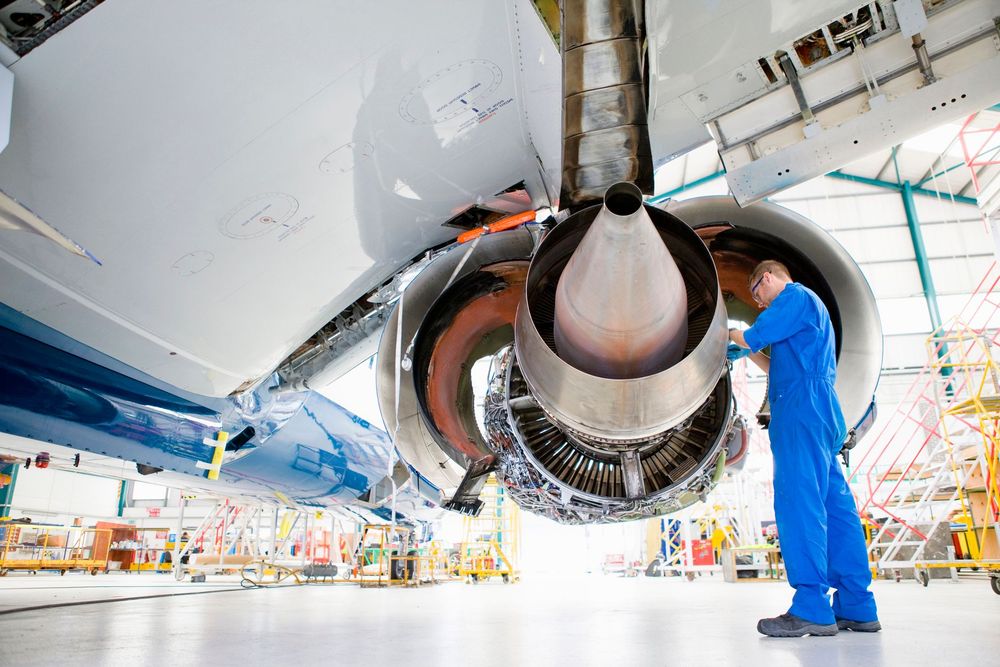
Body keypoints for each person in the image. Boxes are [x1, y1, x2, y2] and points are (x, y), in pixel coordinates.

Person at [728, 260, 880, 638]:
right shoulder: (805, 312)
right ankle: (856, 604)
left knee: (799, 503)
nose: (760, 303)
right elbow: (776, 363)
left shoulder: (794, 297)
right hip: (821, 410)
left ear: (767, 278)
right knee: (835, 508)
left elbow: (755, 334)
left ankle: (811, 605)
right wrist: (747, 350)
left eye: (758, 295)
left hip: (800, 409)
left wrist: (729, 333)